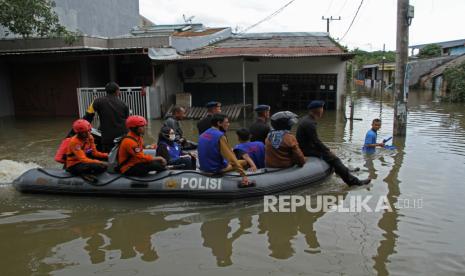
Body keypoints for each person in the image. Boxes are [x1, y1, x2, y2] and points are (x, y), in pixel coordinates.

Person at [296, 100, 371, 186]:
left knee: (331, 154)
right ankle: (354, 182)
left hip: (307, 147)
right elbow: (316, 141)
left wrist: (326, 149)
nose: (323, 111)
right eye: (322, 108)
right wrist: (328, 150)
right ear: (319, 110)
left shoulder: (307, 119)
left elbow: (314, 141)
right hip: (307, 150)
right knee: (334, 159)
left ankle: (343, 171)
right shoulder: (310, 123)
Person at [198, 113, 251, 186]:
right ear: (219, 123)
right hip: (215, 170)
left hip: (204, 168)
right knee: (244, 162)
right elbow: (231, 158)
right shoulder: (220, 136)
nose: (228, 124)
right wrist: (243, 175)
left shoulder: (203, 134)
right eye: (226, 122)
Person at [86, 82, 130, 152]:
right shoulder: (124, 105)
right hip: (123, 137)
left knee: (107, 155)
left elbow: (87, 117)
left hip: (107, 139)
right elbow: (128, 122)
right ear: (117, 91)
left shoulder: (97, 101)